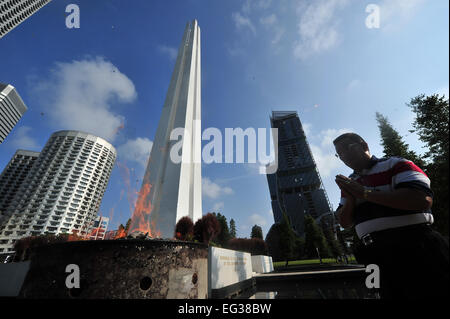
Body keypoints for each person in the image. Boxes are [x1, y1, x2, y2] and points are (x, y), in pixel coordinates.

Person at [333, 132, 449, 299]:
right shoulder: (350, 182)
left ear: (364, 145)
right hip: (373, 252)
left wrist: (364, 193)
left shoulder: (396, 164)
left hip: (414, 244)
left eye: (348, 148)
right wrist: (351, 198)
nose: (344, 155)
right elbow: (344, 222)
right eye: (340, 153)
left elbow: (421, 199)